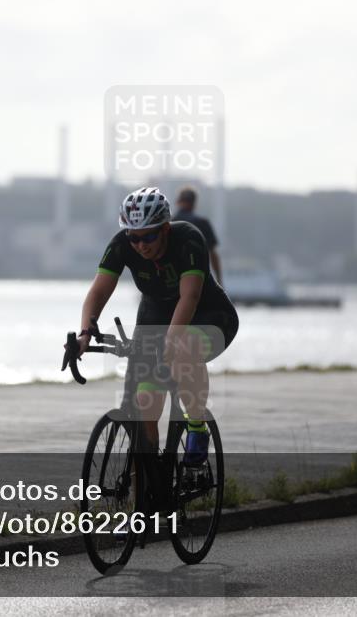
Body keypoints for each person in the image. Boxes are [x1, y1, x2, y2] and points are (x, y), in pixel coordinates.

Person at [76, 187, 239, 466]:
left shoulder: (189, 238)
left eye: (149, 236)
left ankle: (197, 427)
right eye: (134, 237)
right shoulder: (121, 244)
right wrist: (84, 334)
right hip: (157, 314)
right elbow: (98, 292)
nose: (141, 245)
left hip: (209, 315)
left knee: (184, 347)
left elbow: (190, 296)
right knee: (146, 401)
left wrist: (172, 341)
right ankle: (153, 482)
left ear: (165, 228)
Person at [173, 186, 223, 283]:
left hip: (173, 278)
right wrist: (219, 280)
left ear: (178, 201)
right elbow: (213, 254)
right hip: (198, 277)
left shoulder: (169, 223)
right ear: (194, 203)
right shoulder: (202, 223)